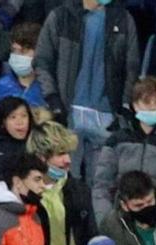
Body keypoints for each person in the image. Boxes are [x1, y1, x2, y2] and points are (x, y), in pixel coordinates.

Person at [34, 0, 139, 180]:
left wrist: (124, 105)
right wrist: (52, 98)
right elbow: (42, 61)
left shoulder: (123, 19)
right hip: (68, 114)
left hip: (107, 116)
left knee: (101, 185)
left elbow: (132, 67)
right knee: (62, 184)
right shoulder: (60, 16)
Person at [93, 76, 156, 221]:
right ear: (135, 105)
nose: (152, 107)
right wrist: (106, 221)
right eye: (146, 102)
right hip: (123, 223)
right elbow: (101, 185)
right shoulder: (117, 140)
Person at [27, 119, 95, 245]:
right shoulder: (23, 195)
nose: (68, 160)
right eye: (61, 154)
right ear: (40, 156)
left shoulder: (79, 190)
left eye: (69, 153)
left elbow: (90, 236)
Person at [0, 22, 47, 112]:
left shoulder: (49, 90)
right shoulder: (0, 86)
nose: (17, 56)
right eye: (14, 50)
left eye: (23, 51)